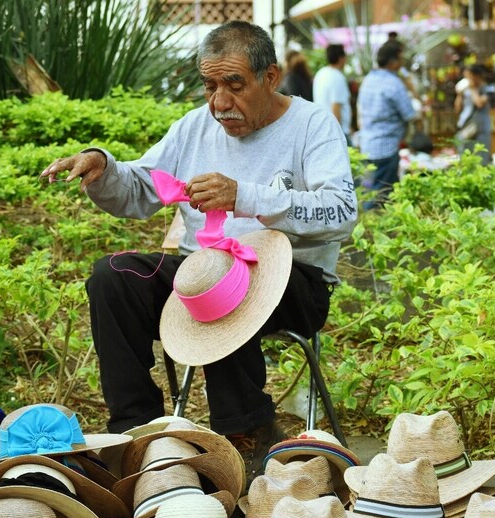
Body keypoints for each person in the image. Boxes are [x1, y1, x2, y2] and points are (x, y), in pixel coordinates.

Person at [39, 21, 357, 486]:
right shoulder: (193, 128)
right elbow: (140, 188)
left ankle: (247, 430)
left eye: (234, 85)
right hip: (205, 269)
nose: (220, 103)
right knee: (114, 275)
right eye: (210, 86)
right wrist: (103, 167)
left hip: (295, 280)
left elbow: (342, 211)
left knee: (226, 280)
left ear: (270, 78)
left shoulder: (311, 126)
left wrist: (245, 197)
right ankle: (135, 435)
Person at [356, 41, 417, 209]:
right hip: (387, 147)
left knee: (373, 191)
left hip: (367, 144)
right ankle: (371, 230)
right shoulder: (394, 83)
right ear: (393, 61)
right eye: (400, 58)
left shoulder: (368, 79)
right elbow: (410, 114)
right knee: (381, 195)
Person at [312, 44, 352, 144]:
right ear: (341, 58)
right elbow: (336, 107)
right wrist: (337, 136)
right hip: (338, 132)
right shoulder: (337, 77)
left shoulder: (321, 73)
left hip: (322, 128)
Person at [454, 63, 492, 165]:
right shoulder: (466, 90)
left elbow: (479, 103)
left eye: (469, 76)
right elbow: (458, 108)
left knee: (481, 156)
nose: (467, 79)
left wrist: (472, 89)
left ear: (477, 76)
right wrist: (459, 95)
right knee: (463, 148)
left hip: (480, 127)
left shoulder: (486, 89)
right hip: (467, 125)